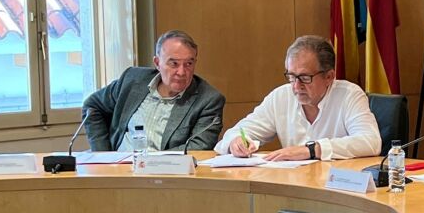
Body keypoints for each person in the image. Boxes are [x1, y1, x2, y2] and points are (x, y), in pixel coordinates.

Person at [214, 35, 380, 160]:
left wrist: (312, 150)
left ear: (329, 77)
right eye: (291, 76)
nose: (296, 86)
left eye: (305, 77)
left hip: (338, 186)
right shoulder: (281, 97)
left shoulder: (349, 95)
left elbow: (370, 142)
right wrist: (236, 142)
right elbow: (238, 132)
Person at [83, 30, 225, 151]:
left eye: (188, 64)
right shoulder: (132, 80)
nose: (182, 72)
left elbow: (198, 148)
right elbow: (92, 106)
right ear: (157, 63)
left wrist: (151, 163)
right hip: (118, 169)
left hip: (166, 173)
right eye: (174, 64)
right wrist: (102, 154)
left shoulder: (208, 100)